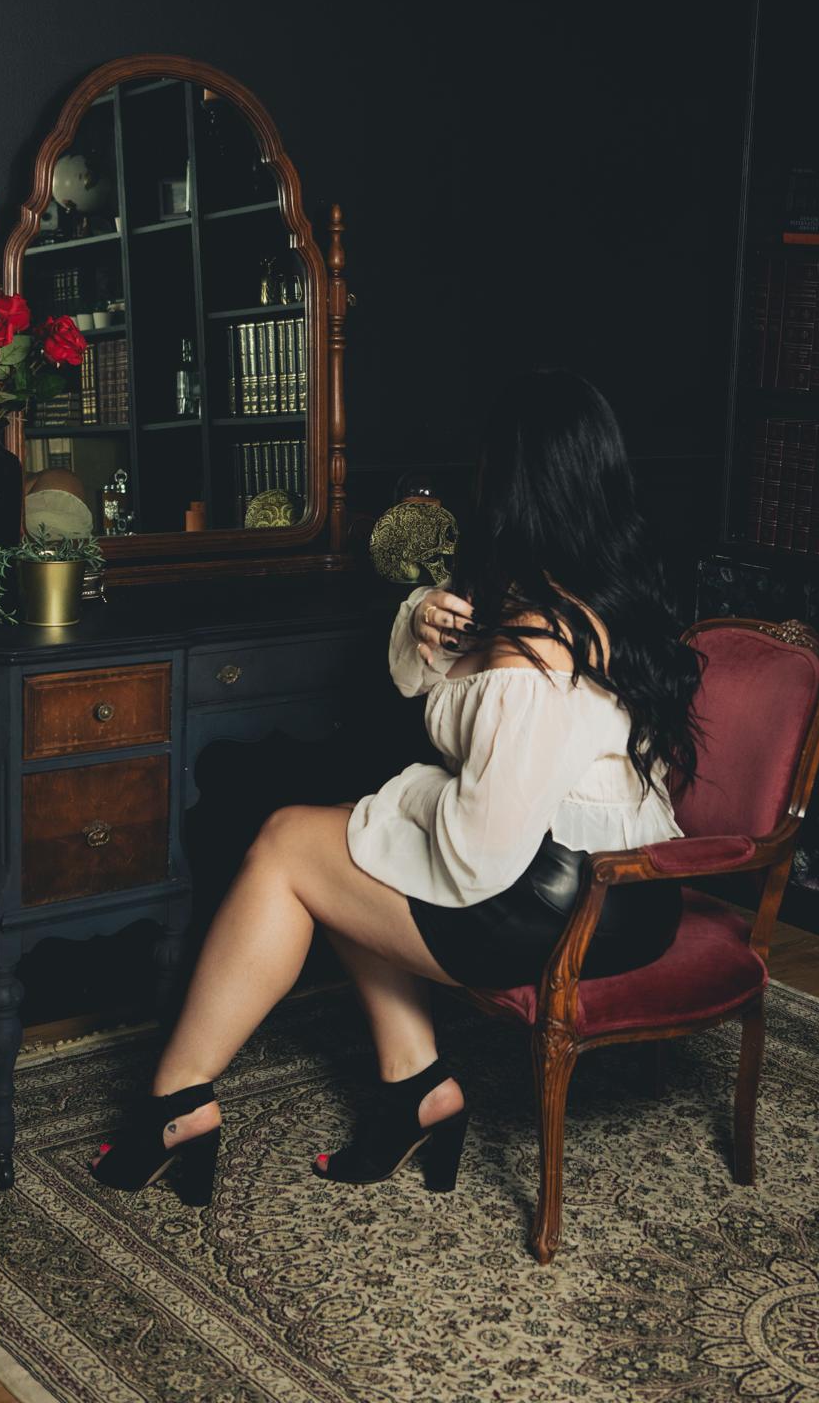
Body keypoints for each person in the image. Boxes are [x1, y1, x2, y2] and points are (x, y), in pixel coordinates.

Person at [91, 370, 703, 1204]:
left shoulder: (535, 644)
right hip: (633, 894)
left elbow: (475, 858)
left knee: (289, 846)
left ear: (512, 485)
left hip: (555, 909)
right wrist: (424, 620)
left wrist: (391, 811)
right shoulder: (605, 602)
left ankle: (176, 1104)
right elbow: (471, 725)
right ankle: (417, 1089)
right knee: (342, 848)